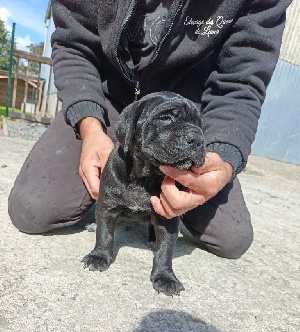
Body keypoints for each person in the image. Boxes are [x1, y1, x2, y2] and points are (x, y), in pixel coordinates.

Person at [8, 0, 291, 259]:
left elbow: (241, 82)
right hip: (106, 96)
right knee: (33, 208)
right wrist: (89, 124)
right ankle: (116, 196)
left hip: (187, 107)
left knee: (232, 239)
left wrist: (225, 158)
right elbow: (73, 44)